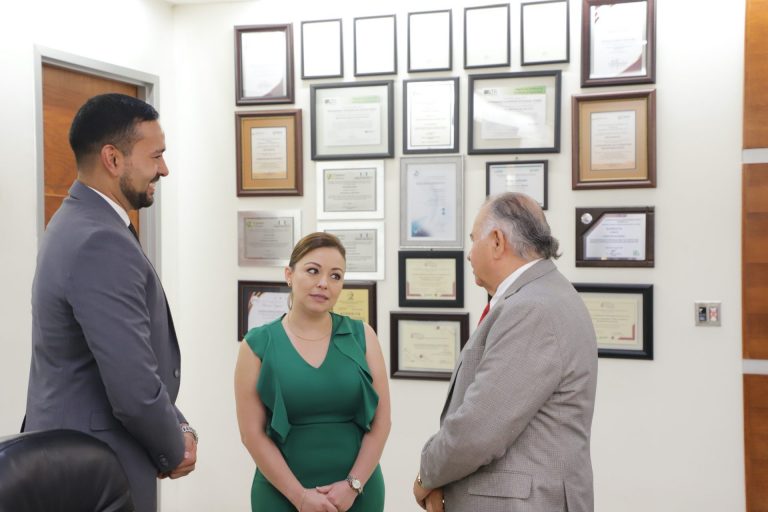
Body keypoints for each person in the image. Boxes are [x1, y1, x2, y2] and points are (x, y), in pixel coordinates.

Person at [24, 93, 197, 512]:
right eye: (155, 156)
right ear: (113, 159)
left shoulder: (74, 220)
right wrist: (174, 446)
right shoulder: (100, 240)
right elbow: (131, 385)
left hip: (71, 455)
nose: (164, 169)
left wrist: (177, 424)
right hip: (95, 467)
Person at [413, 192, 598, 512]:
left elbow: (479, 428)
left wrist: (426, 475)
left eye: (473, 240)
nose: (469, 254)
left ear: (497, 241)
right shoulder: (542, 294)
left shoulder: (532, 307)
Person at [235, 232, 391, 512]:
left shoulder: (363, 336)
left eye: (335, 275)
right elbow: (251, 435)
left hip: (358, 494)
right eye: (312, 271)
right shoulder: (256, 345)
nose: (323, 283)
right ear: (289, 275)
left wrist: (352, 485)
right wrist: (300, 497)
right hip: (281, 496)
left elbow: (382, 422)